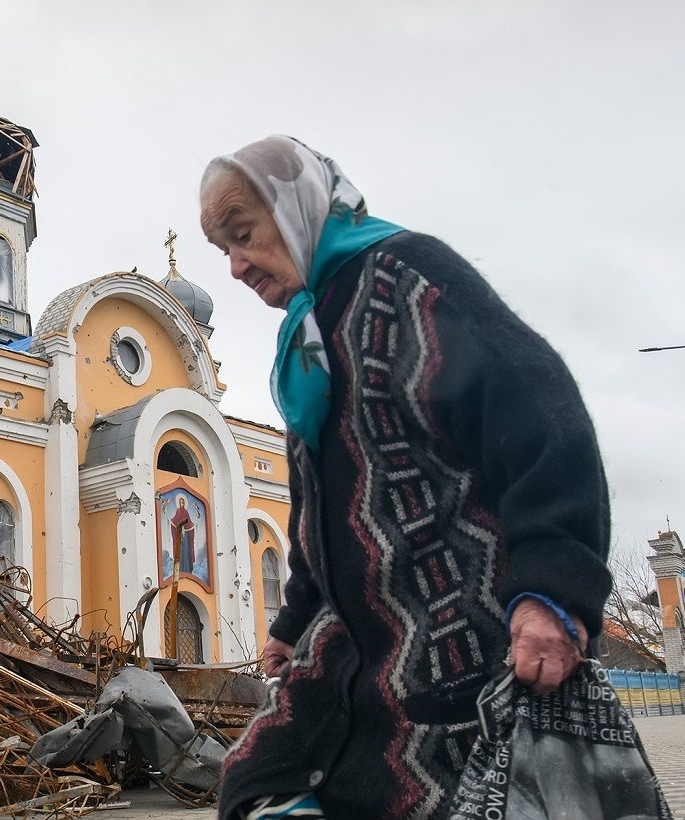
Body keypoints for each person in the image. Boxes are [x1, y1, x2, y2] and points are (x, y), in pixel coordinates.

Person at [199, 136, 611, 820]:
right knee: (257, 778)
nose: (238, 267)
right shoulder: (307, 345)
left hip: (460, 648)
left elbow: (543, 415)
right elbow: (317, 511)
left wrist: (552, 592)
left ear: (298, 209)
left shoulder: (406, 277)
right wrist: (294, 619)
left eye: (244, 236)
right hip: (351, 653)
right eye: (225, 251)